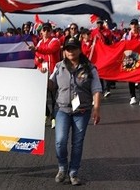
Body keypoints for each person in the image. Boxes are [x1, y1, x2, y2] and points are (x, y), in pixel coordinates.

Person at [46, 37, 101, 186]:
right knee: (60, 141)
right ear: (64, 51)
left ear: (79, 49)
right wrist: (43, 77)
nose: (71, 51)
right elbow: (51, 85)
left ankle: (73, 172)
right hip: (62, 109)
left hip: (82, 111)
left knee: (77, 143)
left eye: (74, 48)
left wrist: (96, 108)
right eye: (68, 49)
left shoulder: (90, 68)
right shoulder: (58, 67)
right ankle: (62, 167)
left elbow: (96, 89)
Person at [30, 23, 61, 129]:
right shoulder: (39, 43)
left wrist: (37, 50)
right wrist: (38, 62)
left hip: (53, 71)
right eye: (45, 30)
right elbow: (36, 57)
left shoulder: (55, 41)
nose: (46, 32)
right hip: (43, 72)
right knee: (42, 96)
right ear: (41, 31)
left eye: (48, 30)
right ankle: (47, 114)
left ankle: (54, 117)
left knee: (53, 96)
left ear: (51, 31)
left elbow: (50, 50)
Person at [122, 19, 140, 106]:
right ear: (130, 26)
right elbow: (121, 44)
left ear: (138, 25)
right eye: (132, 24)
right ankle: (132, 96)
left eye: (135, 24)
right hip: (129, 58)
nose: (134, 26)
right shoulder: (126, 35)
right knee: (131, 78)